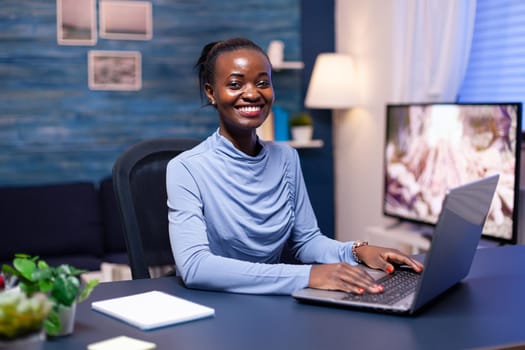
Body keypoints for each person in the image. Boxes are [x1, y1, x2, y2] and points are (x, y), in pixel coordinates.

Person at [167, 37, 423, 295]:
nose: (253, 93)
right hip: (216, 305)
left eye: (262, 83)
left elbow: (307, 241)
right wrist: (308, 275)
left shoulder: (286, 158)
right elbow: (195, 267)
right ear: (211, 92)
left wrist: (356, 251)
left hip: (273, 302)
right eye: (235, 84)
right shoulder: (186, 169)